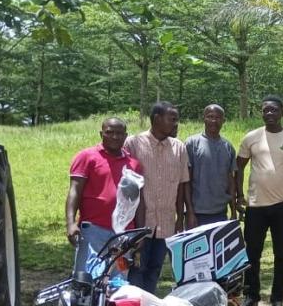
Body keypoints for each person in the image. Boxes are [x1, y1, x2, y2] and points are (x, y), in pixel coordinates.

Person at [236, 95, 283, 306]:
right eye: (265, 110)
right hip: (256, 206)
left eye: (274, 110)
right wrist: (239, 195)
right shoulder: (251, 137)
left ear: (282, 112)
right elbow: (239, 167)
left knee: (281, 253)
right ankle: (251, 295)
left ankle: (277, 298)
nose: (269, 113)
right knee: (252, 253)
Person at [124, 101, 192, 294]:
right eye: (172, 119)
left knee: (154, 269)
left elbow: (181, 185)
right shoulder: (133, 144)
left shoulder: (179, 147)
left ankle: (149, 304)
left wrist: (181, 217)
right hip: (140, 222)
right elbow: (126, 184)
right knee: (136, 267)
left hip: (166, 221)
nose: (176, 124)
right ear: (157, 119)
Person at [66, 117, 144, 276]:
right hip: (94, 230)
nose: (115, 136)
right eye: (110, 132)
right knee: (86, 279)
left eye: (119, 133)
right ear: (101, 134)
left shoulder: (133, 164)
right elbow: (74, 191)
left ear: (125, 136)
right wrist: (70, 223)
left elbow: (139, 201)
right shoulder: (86, 157)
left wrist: (139, 232)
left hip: (123, 233)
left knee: (118, 280)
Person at [185, 104, 238, 225]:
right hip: (197, 212)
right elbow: (186, 181)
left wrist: (233, 211)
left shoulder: (228, 147)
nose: (214, 120)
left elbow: (231, 181)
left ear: (224, 120)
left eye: (218, 117)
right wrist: (189, 211)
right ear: (204, 118)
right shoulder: (192, 143)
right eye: (210, 116)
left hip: (220, 212)